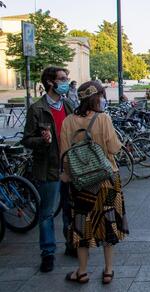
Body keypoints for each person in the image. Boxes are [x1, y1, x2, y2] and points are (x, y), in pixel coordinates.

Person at [59, 81, 128, 284]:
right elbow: (114, 149)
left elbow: (64, 154)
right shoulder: (103, 119)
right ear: (97, 97)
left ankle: (82, 271)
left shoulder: (68, 121)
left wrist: (69, 175)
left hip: (81, 183)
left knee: (81, 225)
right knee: (108, 222)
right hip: (106, 179)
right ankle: (108, 270)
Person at [22, 67, 74, 272]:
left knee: (70, 208)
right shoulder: (37, 109)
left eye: (66, 78)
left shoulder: (68, 105)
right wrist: (42, 141)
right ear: (51, 82)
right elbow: (26, 139)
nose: (66, 82)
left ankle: (71, 244)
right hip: (48, 169)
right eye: (62, 79)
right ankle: (48, 253)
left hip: (69, 167)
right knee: (47, 212)